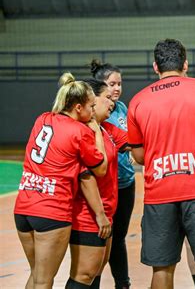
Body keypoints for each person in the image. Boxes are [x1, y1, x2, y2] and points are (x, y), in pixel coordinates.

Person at [127, 38, 195, 289]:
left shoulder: (138, 101)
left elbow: (139, 156)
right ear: (185, 63)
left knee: (162, 268)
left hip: (160, 196)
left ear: (155, 67)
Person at [14, 73, 108, 289]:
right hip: (51, 211)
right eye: (91, 107)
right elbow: (100, 169)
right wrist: (96, 132)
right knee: (44, 281)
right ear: (77, 108)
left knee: (37, 275)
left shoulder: (43, 118)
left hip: (24, 207)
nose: (93, 112)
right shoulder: (80, 131)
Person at [67, 78, 129, 289]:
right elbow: (88, 176)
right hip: (88, 213)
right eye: (106, 97)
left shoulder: (106, 130)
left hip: (106, 211)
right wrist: (99, 214)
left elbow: (139, 144)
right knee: (83, 274)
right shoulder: (83, 132)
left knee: (95, 271)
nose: (112, 100)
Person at [90, 59, 136, 289]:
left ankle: (123, 284)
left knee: (118, 238)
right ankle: (92, 281)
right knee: (100, 239)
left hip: (125, 183)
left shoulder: (122, 108)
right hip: (102, 187)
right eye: (111, 84)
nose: (117, 88)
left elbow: (130, 142)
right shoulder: (92, 115)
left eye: (119, 83)